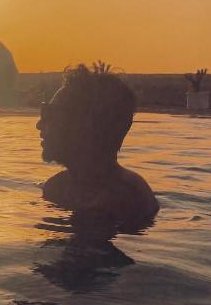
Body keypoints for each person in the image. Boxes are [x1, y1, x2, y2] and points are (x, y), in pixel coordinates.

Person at [36, 64, 158, 225]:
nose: (39, 124)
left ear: (85, 125)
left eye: (51, 113)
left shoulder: (126, 198)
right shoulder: (57, 188)